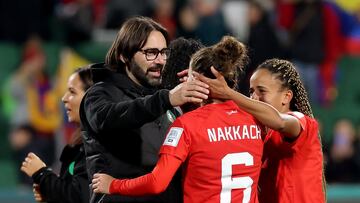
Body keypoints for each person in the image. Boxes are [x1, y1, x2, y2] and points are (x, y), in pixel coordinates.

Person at [91, 36, 299, 203]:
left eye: (189, 76)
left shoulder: (187, 125)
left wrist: (113, 185)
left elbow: (157, 183)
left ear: (198, 80)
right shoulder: (257, 120)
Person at [80, 16, 209, 203]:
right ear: (124, 56)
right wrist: (167, 98)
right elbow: (110, 118)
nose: (160, 61)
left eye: (164, 52)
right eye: (151, 53)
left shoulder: (164, 99)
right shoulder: (99, 94)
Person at [197, 58, 326, 203]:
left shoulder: (301, 122)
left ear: (286, 96)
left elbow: (280, 122)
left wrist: (229, 94)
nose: (254, 97)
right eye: (251, 91)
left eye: (262, 91)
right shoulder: (255, 131)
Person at [20, 67, 93, 203]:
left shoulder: (98, 146)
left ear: (92, 98)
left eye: (72, 92)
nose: (64, 98)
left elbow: (79, 197)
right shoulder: (81, 143)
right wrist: (51, 192)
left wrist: (42, 173)